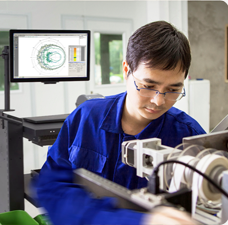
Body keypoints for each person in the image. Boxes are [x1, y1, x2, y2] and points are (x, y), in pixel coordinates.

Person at [36, 21, 206, 225]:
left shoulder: (189, 136)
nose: (158, 101)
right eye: (148, 86)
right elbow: (51, 185)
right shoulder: (87, 118)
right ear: (126, 70)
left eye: (173, 90)